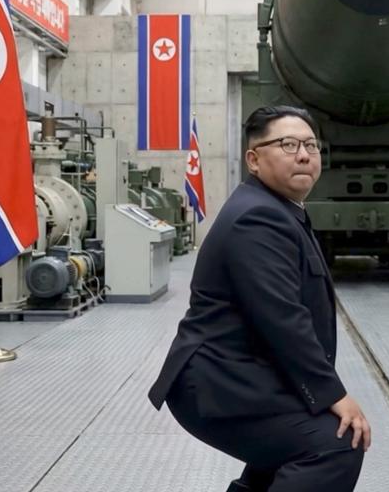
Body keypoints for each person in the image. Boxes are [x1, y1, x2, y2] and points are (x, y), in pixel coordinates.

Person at [149, 105, 371, 492]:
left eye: (311, 146)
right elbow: (282, 319)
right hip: (218, 384)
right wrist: (332, 394)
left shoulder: (280, 210)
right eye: (288, 145)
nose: (304, 155)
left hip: (242, 376)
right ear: (254, 159)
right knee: (334, 445)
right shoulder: (257, 218)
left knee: (286, 451)